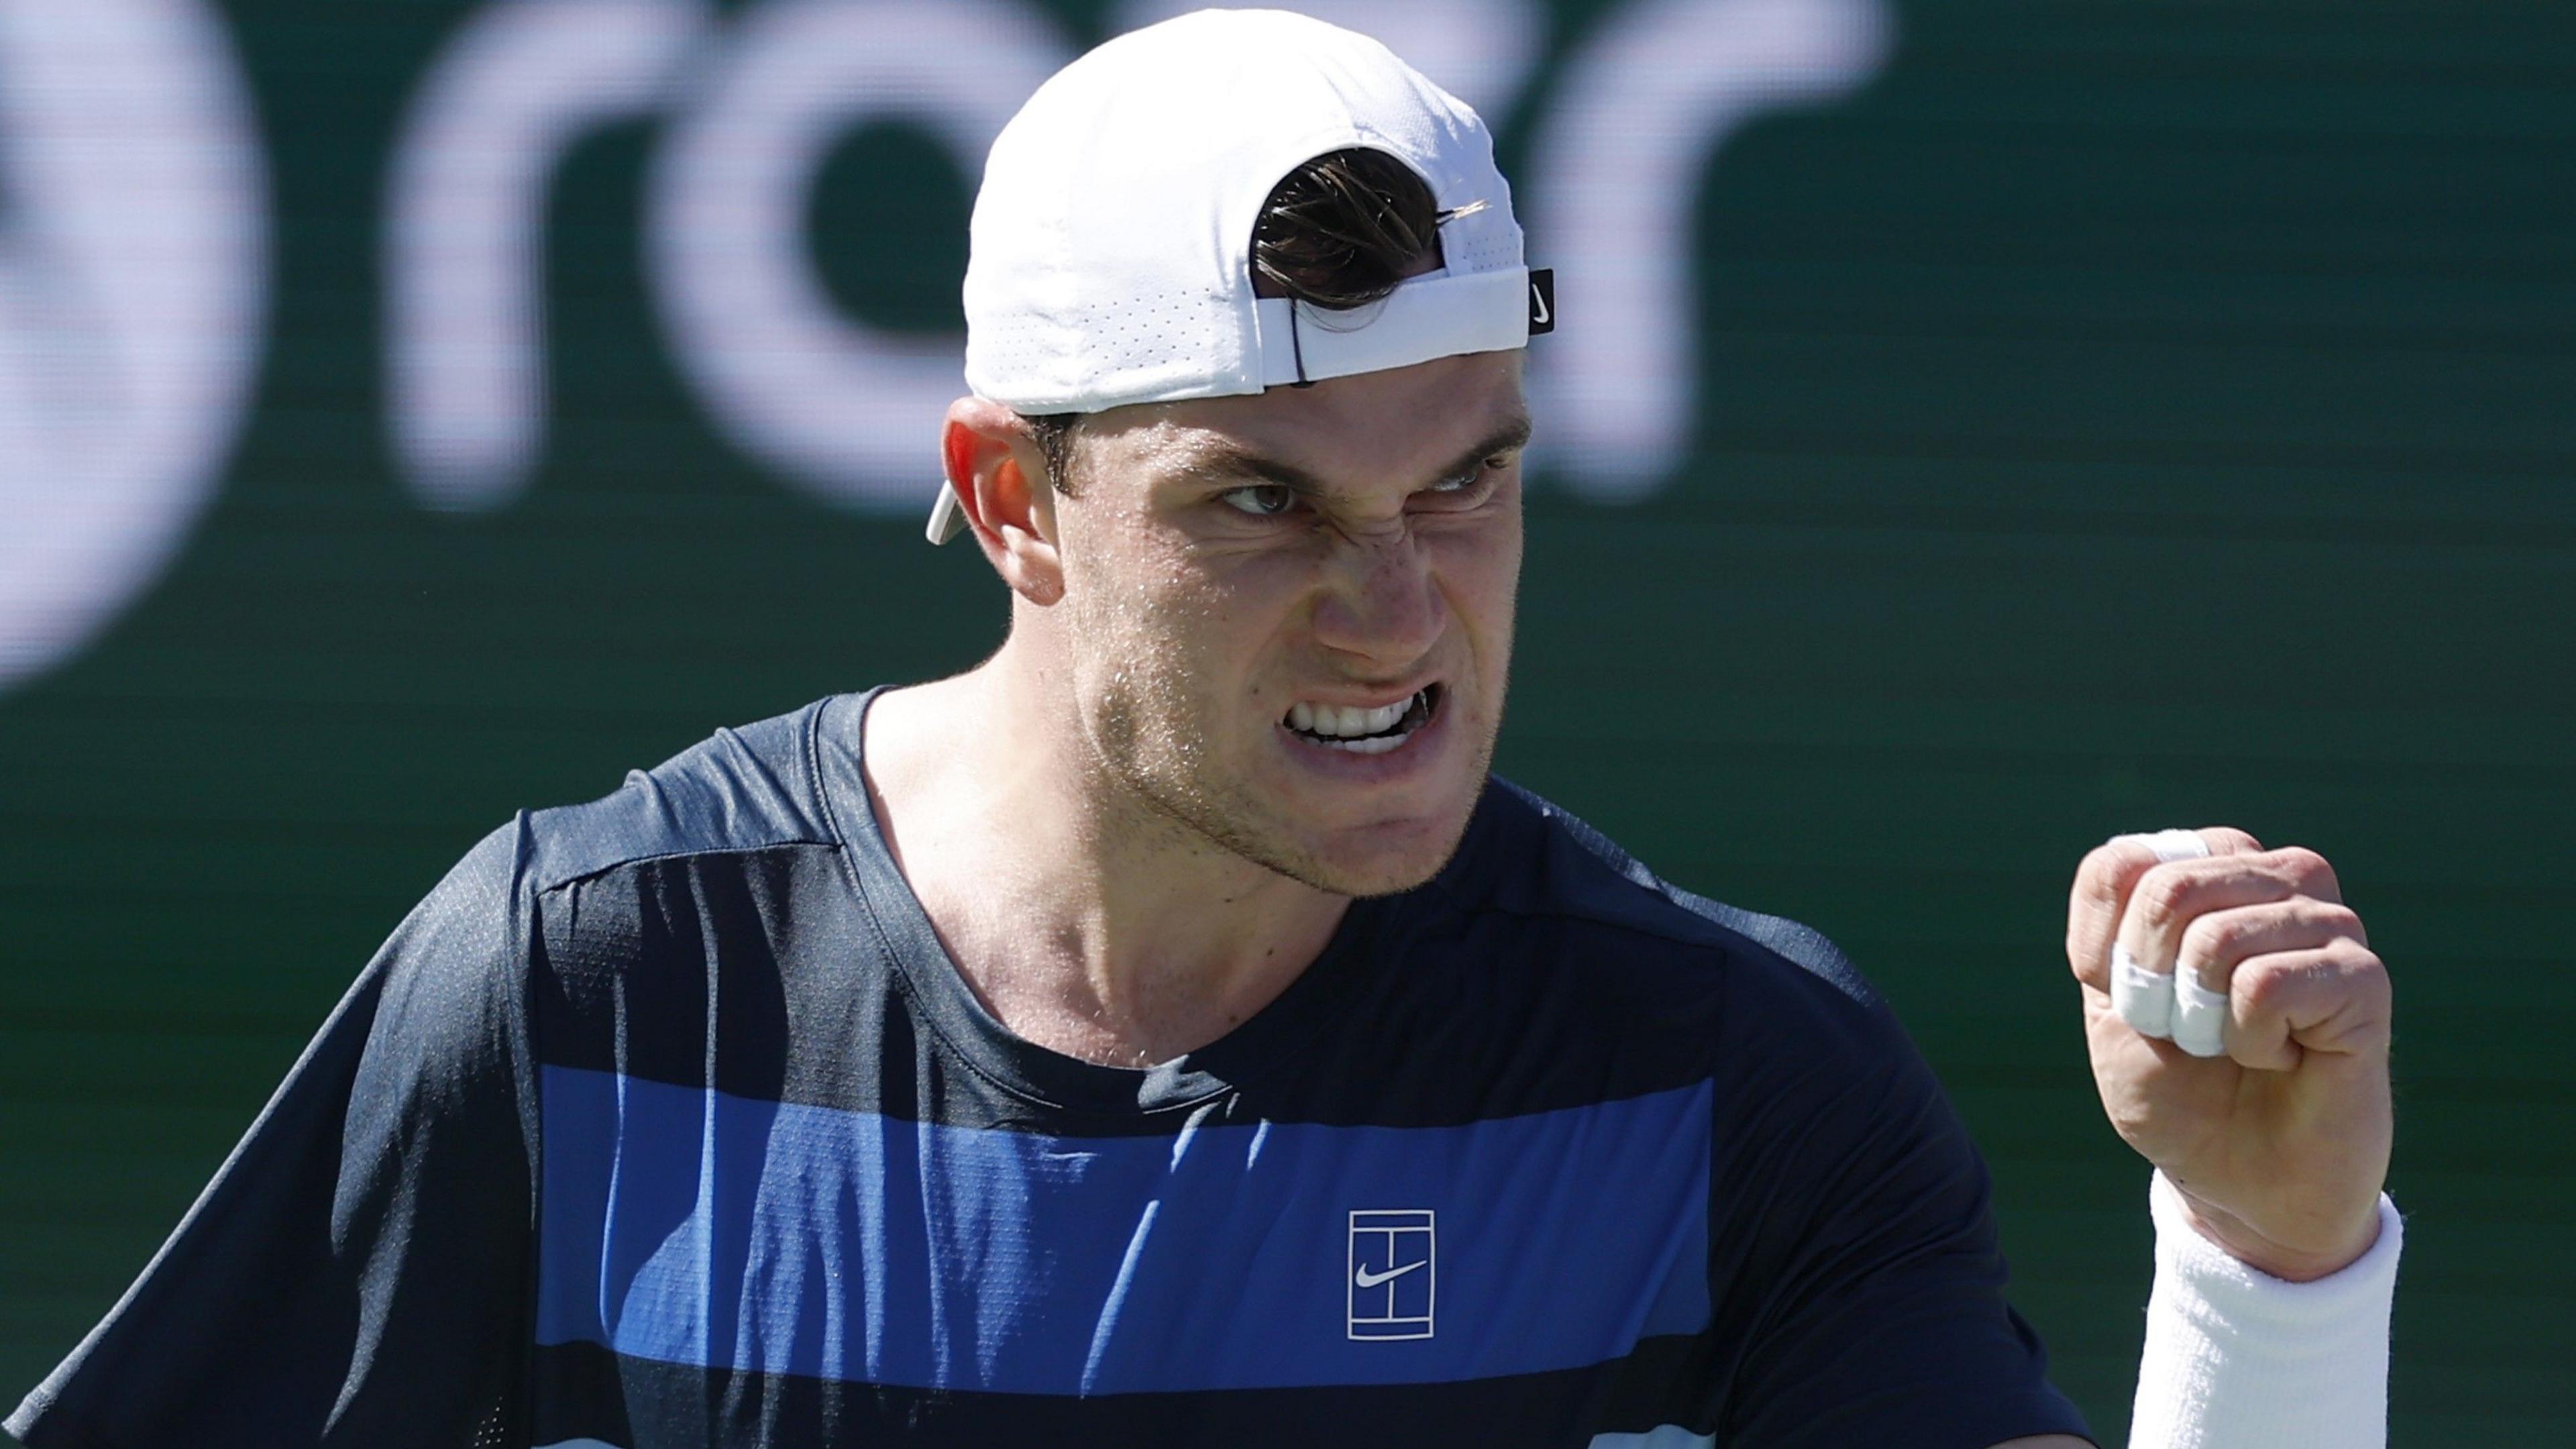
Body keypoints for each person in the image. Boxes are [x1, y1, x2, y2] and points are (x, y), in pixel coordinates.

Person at [7, 11, 2397, 1448]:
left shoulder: (1737, 1084)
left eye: (1465, 481)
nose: (1398, 607)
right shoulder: (583, 991)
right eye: (1266, 503)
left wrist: (2271, 1266)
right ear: (1010, 501)